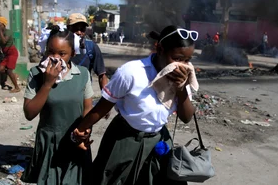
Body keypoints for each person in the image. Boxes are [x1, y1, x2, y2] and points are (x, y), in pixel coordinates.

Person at [72, 25, 197, 185]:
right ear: (159, 50)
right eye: (177, 58)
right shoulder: (132, 72)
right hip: (125, 140)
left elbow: (186, 117)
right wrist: (81, 130)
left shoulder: (182, 78)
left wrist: (181, 89)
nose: (182, 66)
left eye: (187, 60)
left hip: (158, 141)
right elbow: (104, 106)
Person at [21, 25, 93, 184]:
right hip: (49, 144)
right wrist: (47, 84)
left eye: (62, 54)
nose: (55, 58)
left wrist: (85, 131)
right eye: (50, 52)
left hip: (75, 141)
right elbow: (29, 113)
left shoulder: (82, 74)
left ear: (72, 54)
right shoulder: (36, 74)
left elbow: (87, 109)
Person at [67, 13, 108, 91]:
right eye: (75, 29)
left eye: (82, 29)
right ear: (68, 28)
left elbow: (102, 75)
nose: (79, 32)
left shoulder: (91, 47)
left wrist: (106, 99)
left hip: (83, 96)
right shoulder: (58, 47)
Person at [0, 16, 21, 93]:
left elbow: (4, 41)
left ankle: (17, 87)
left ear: (3, 24)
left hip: (12, 53)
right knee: (0, 69)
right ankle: (13, 76)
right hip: (6, 54)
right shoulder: (1, 34)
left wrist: (0, 32)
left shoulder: (8, 32)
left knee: (9, 71)